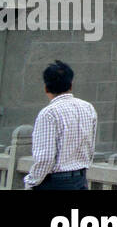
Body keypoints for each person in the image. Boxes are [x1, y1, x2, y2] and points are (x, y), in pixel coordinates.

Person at [24, 61, 97, 190]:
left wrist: (31, 181)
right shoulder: (88, 108)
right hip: (80, 179)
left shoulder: (48, 113)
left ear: (46, 88)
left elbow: (45, 158)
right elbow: (90, 148)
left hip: (55, 182)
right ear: (71, 85)